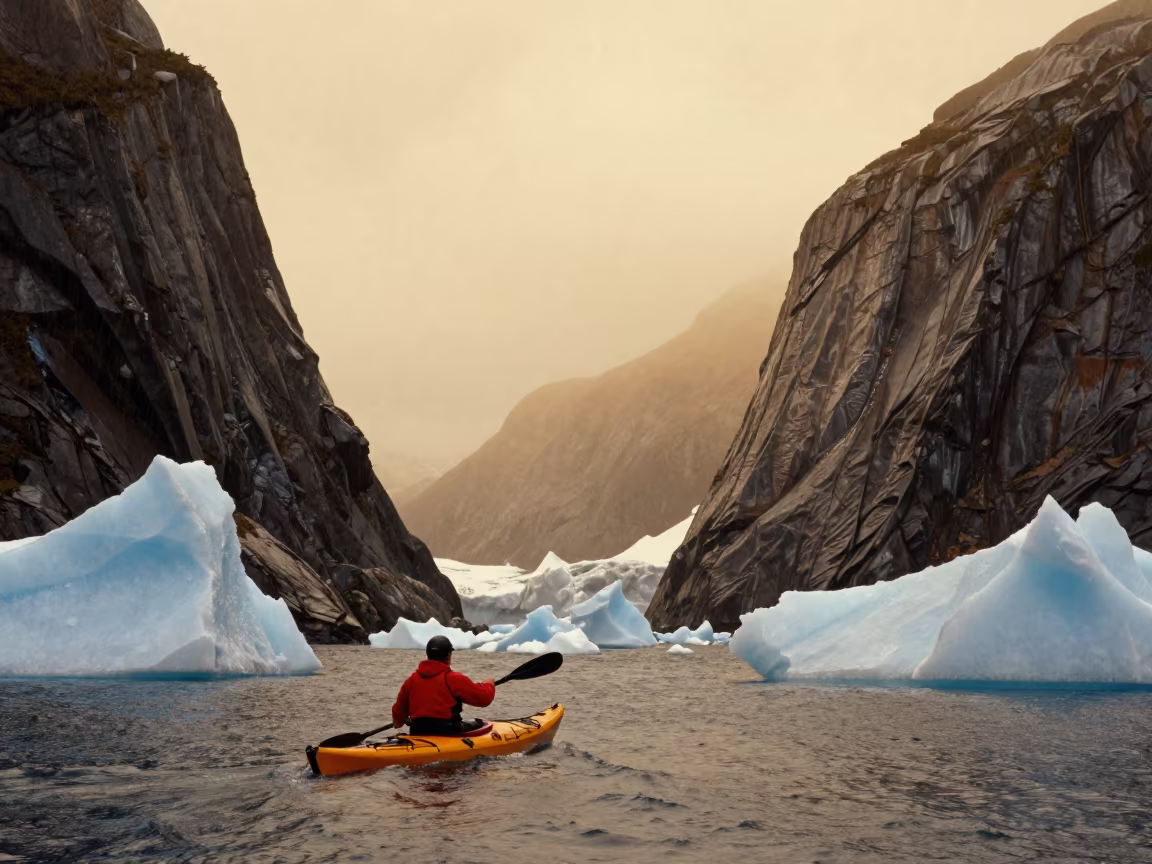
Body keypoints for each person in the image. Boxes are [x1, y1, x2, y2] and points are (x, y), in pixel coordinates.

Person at [392, 635, 495, 736]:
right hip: (448, 732)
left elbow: (398, 714)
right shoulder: (453, 679)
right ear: (448, 655)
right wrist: (489, 684)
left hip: (418, 731)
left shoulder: (411, 680)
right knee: (481, 724)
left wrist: (400, 720)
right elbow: (483, 699)